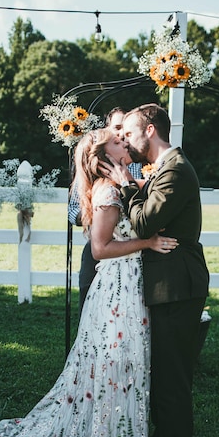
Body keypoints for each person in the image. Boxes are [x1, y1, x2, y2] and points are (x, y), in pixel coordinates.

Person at [0, 128, 176, 437]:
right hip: (117, 289)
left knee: (122, 366)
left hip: (126, 284)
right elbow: (99, 248)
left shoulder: (118, 183)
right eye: (117, 141)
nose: (124, 143)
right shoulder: (109, 191)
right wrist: (147, 242)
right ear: (101, 155)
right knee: (117, 365)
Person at [104, 103, 209, 437]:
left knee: (173, 375)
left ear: (150, 130)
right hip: (166, 284)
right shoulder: (164, 169)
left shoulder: (176, 170)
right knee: (163, 372)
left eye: (129, 133)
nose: (126, 141)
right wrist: (136, 187)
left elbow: (146, 221)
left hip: (177, 286)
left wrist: (125, 187)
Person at [68, 106, 142, 311]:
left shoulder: (140, 159)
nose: (121, 134)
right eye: (117, 128)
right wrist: (102, 216)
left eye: (126, 130)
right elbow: (73, 210)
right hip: (105, 244)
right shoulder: (100, 175)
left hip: (134, 254)